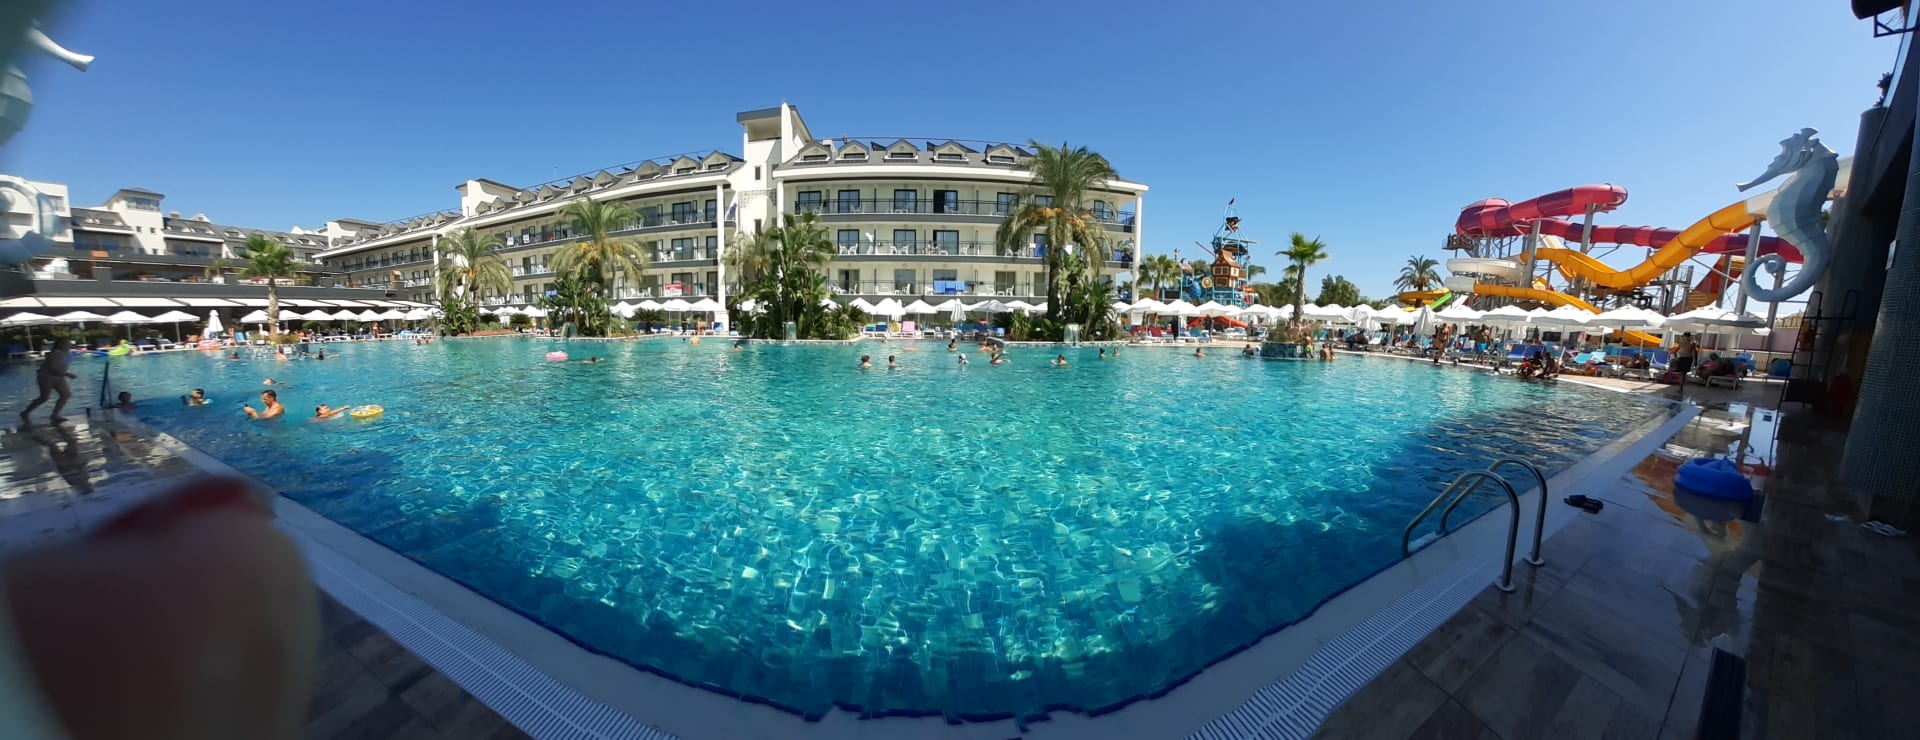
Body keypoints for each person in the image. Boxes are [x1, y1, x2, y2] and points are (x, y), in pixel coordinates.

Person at [21, 338, 77, 425]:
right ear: (61, 345)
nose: (69, 344)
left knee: (66, 394)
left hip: (59, 377)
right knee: (44, 397)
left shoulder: (68, 353)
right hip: (46, 377)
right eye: (67, 343)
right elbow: (52, 366)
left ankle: (55, 415)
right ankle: (25, 412)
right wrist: (67, 374)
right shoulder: (55, 353)